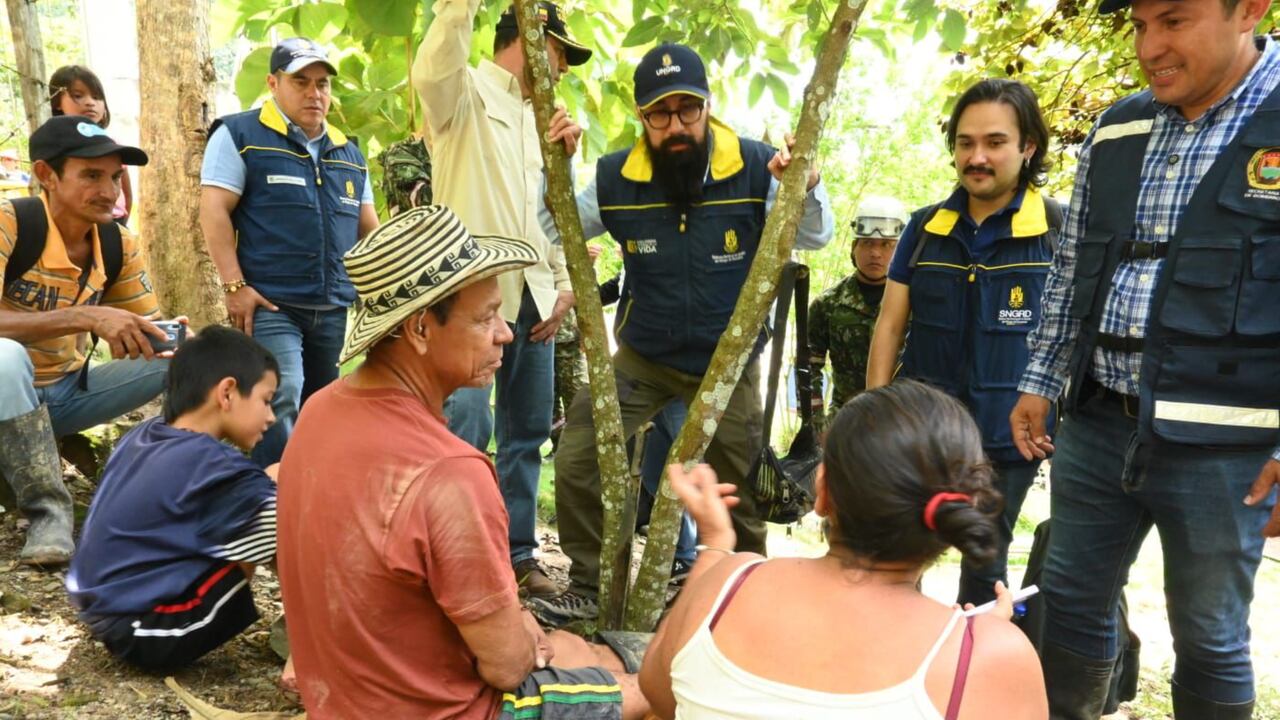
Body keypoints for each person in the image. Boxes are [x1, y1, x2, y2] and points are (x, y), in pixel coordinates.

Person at [1009, 0, 1280, 715]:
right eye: (1137, 25)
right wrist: (1041, 379)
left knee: (1210, 635)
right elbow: (1072, 267)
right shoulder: (1117, 126)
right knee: (1067, 603)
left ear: (1249, 9)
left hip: (1229, 448)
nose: (1148, 46)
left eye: (1173, 20)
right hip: (1098, 425)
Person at [275, 205, 649, 719]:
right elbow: (506, 667)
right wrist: (519, 637)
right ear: (421, 329)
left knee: (584, 649)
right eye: (485, 317)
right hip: (449, 710)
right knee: (651, 692)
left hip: (345, 699)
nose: (506, 333)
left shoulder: (319, 411)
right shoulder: (449, 470)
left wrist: (517, 624)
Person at [532, 42, 834, 626]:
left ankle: (742, 599)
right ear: (642, 117)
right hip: (643, 354)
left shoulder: (754, 164)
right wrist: (559, 166)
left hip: (728, 361)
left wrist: (806, 183)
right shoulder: (617, 176)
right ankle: (592, 584)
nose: (675, 126)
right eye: (659, 114)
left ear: (707, 106)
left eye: (687, 110)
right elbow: (556, 221)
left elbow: (816, 236)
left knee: (739, 484)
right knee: (578, 456)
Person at [639, 380, 1047, 719]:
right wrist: (978, 643)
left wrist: (715, 548)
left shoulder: (725, 585)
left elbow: (659, 693)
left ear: (822, 491)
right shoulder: (991, 657)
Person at [413, 0, 589, 598]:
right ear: (532, 41)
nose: (562, 70)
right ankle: (453, 554)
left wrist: (562, 279)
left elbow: (552, 215)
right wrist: (459, 9)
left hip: (536, 298)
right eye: (560, 54)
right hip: (470, 297)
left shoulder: (547, 123)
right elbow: (433, 68)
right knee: (465, 425)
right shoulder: (462, 94)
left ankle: (515, 554)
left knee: (527, 433)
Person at [866, 78, 1058, 608]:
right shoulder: (927, 228)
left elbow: (1073, 335)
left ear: (1027, 147)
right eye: (965, 143)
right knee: (896, 550)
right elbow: (889, 324)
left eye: (995, 142)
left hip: (1010, 436)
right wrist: (873, 415)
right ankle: (891, 663)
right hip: (922, 431)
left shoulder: (1057, 231)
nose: (977, 157)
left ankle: (973, 674)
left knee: (986, 560)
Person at [0, 116, 171, 567]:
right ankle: (47, 513)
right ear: (46, 175)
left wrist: (163, 335)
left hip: (65, 393)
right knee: (5, 358)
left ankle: (172, 490)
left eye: (115, 176)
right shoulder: (9, 223)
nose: (110, 191)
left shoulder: (118, 244)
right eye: (91, 175)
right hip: (5, 393)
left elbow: (145, 322)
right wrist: (85, 316)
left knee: (182, 357)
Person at [200, 37, 379, 467]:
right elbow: (213, 211)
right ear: (273, 83)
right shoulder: (239, 135)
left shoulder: (349, 153)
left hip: (334, 308)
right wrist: (234, 285)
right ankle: (272, 504)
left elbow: (367, 229)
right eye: (301, 82)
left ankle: (311, 497)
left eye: (322, 84)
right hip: (272, 304)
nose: (314, 93)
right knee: (281, 396)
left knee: (323, 408)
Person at [66, 326, 278, 670]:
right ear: (227, 392)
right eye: (266, 401)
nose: (271, 417)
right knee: (284, 492)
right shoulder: (212, 464)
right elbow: (286, 530)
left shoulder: (146, 434)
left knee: (268, 489)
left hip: (102, 612)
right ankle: (309, 646)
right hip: (151, 632)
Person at [808, 195, 906, 433]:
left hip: (904, 420)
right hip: (847, 420)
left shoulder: (916, 303)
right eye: (867, 243)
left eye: (886, 245)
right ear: (854, 248)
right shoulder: (828, 304)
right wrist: (817, 425)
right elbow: (809, 368)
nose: (876, 253)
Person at [48, 65, 131, 223]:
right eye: (78, 96)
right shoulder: (55, 145)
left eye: (96, 97)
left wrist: (124, 218)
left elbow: (127, 190)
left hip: (114, 218)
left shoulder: (113, 143)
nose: (90, 103)